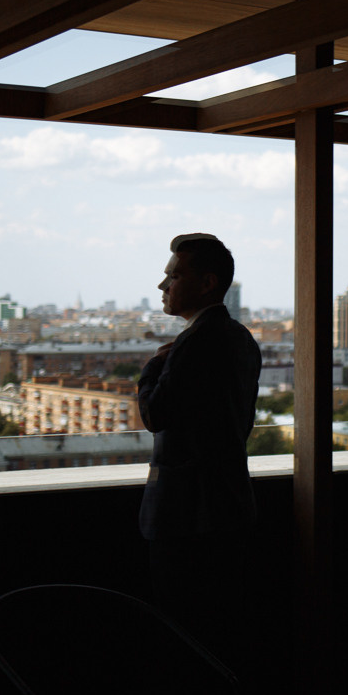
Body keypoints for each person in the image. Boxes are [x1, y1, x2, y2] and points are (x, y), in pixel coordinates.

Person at [138, 233, 261, 667]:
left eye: (174, 276)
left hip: (186, 516)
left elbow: (155, 414)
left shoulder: (194, 342)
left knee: (184, 632)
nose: (163, 285)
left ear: (207, 283)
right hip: (228, 506)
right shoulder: (240, 337)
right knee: (221, 630)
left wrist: (152, 366)